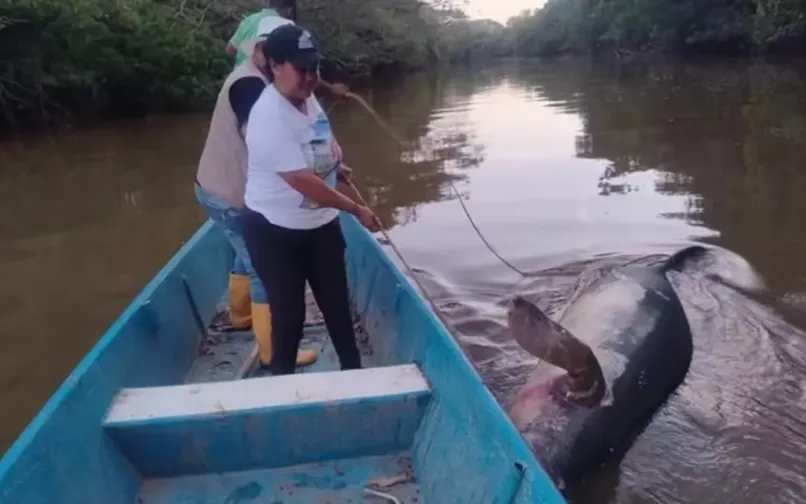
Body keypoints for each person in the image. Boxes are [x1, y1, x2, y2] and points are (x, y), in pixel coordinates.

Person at [195, 12, 348, 369]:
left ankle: (239, 316)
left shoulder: (273, 79)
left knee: (242, 253)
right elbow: (270, 147)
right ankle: (273, 351)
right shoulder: (250, 87)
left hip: (222, 185)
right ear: (265, 53)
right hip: (230, 190)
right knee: (260, 269)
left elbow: (308, 126)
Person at [241, 24, 382, 375]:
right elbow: (303, 182)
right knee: (289, 317)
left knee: (337, 307)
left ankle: (355, 375)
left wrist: (336, 167)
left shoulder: (307, 97)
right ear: (275, 66)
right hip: (274, 231)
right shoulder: (267, 116)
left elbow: (318, 142)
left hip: (319, 225)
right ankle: (282, 387)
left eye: (314, 68)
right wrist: (355, 208)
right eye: (301, 69)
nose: (309, 77)